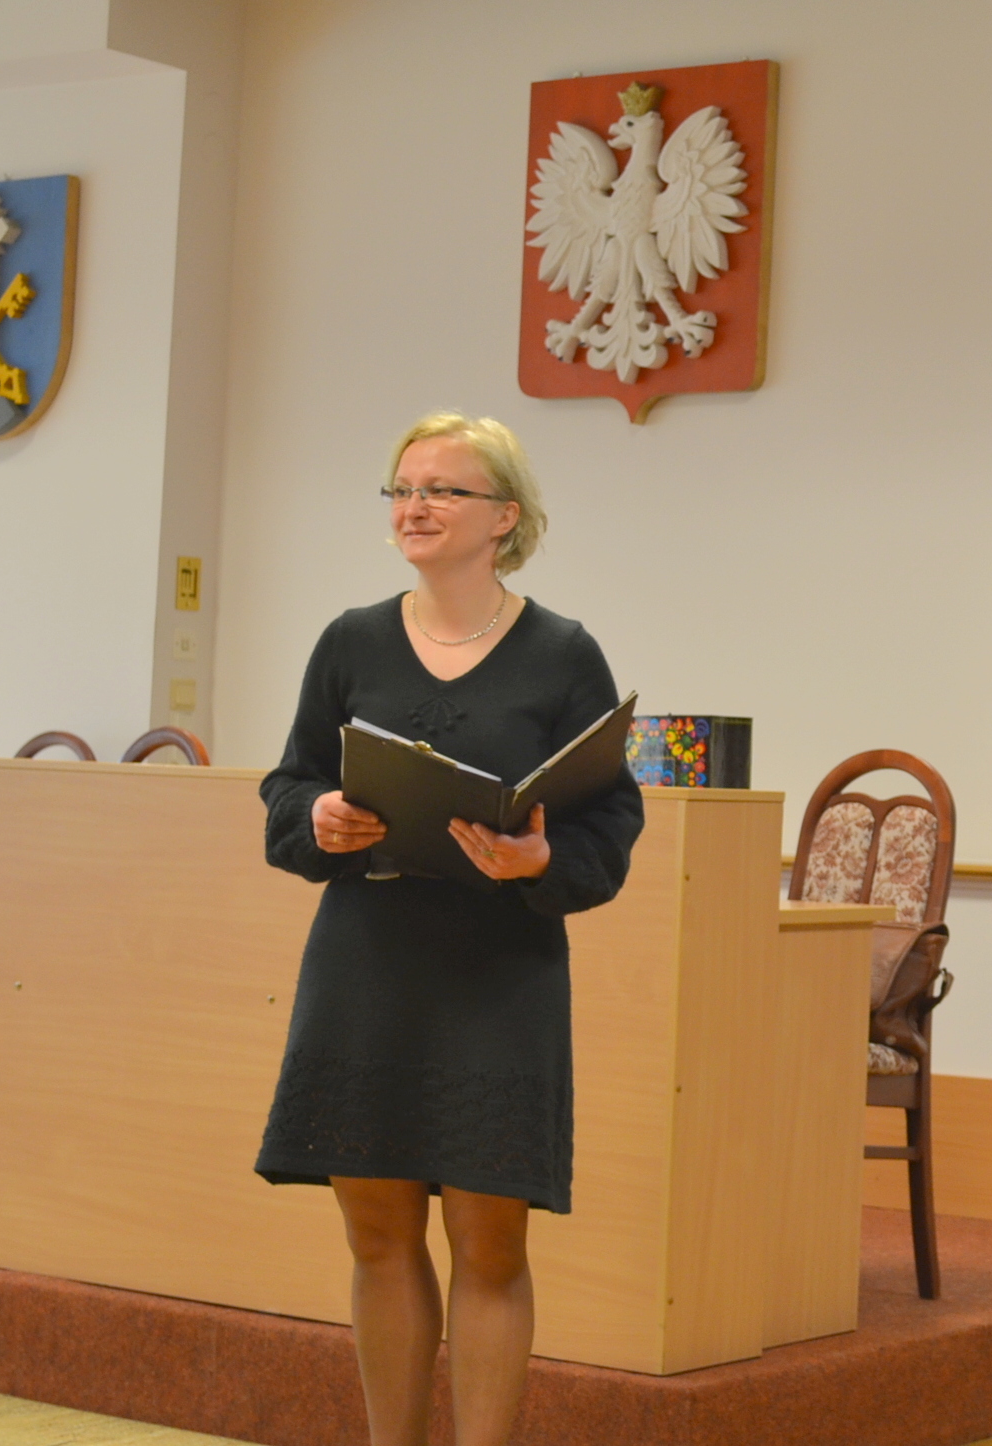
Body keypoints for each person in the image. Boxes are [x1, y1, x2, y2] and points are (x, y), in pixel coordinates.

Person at [255, 412, 643, 1446]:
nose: (414, 506)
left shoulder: (563, 653)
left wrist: (542, 859)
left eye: (441, 489)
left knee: (490, 1239)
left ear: (503, 516)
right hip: (366, 959)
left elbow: (610, 818)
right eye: (401, 488)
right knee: (377, 1235)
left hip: (497, 967)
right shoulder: (350, 640)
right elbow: (289, 784)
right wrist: (317, 817)